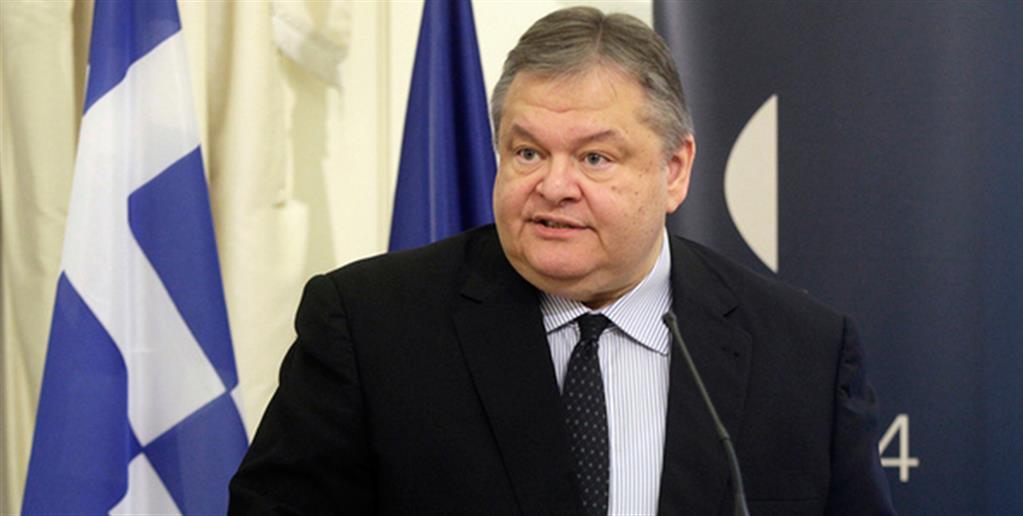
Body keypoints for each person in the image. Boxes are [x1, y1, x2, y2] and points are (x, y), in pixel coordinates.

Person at [229, 7, 895, 516]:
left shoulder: (803, 355)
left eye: (595, 158)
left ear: (674, 170)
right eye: (527, 153)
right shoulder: (372, 328)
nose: (553, 186)